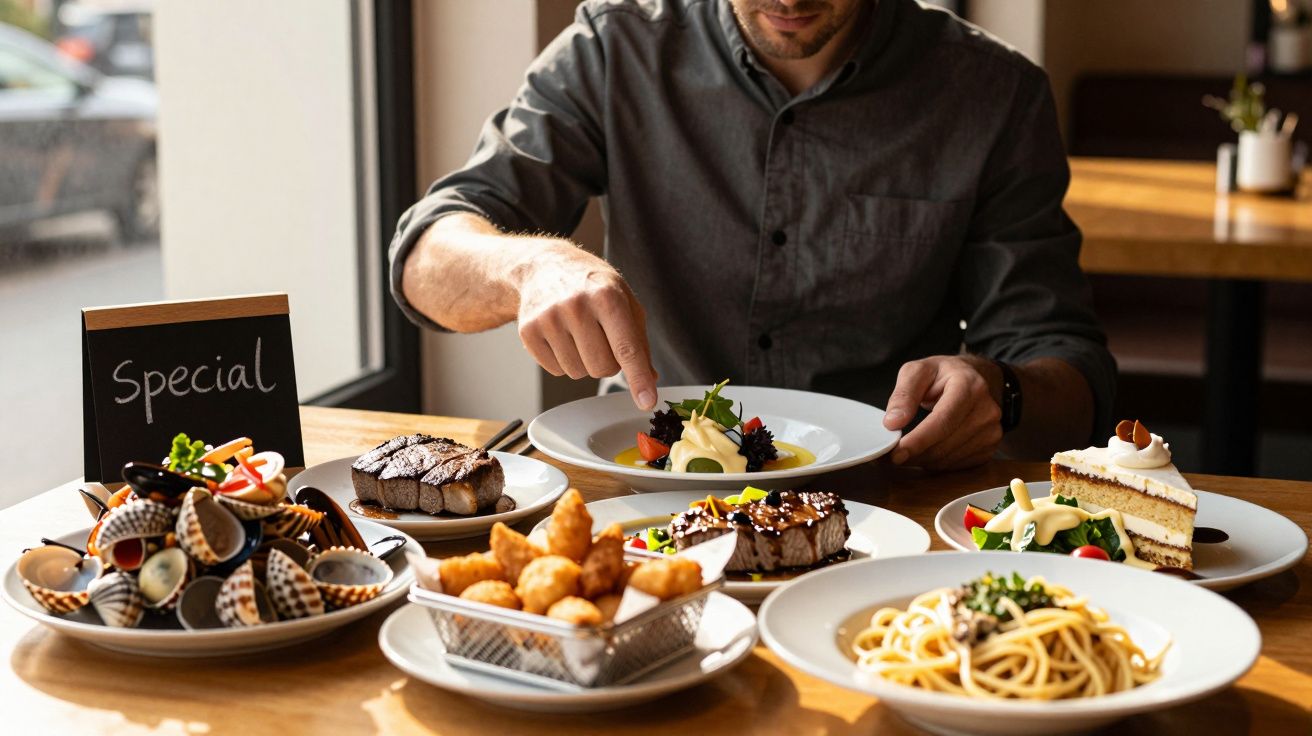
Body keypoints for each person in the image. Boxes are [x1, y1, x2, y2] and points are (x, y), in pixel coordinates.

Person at [390, 0, 1116, 471]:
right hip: (645, 481)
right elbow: (424, 262)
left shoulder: (993, 92)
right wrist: (531, 269)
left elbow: (1074, 373)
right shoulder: (615, 48)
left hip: (886, 495)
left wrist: (1002, 392)